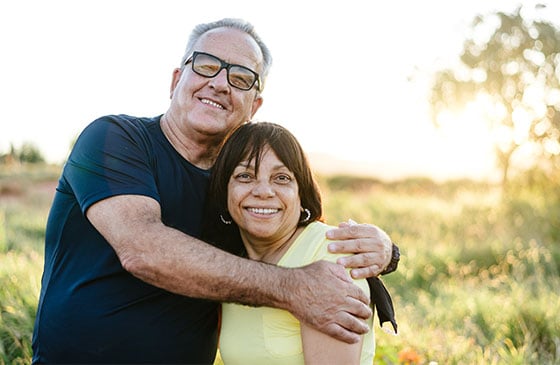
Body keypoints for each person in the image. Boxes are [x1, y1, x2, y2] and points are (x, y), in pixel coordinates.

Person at [31, 18, 396, 364]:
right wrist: (295, 288)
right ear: (176, 80)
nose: (220, 83)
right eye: (206, 65)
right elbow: (143, 250)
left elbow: (290, 234)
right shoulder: (114, 139)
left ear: (254, 106)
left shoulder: (237, 187)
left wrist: (387, 251)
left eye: (241, 77)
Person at [203, 121, 375, 364]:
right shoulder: (231, 264)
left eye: (281, 178)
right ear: (224, 190)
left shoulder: (331, 256)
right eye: (244, 176)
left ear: (301, 192)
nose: (263, 191)